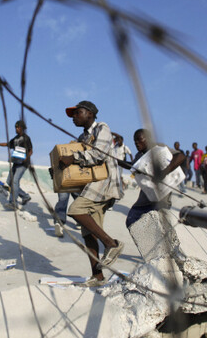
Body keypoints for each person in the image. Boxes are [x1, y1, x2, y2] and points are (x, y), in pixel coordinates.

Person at [59, 101, 123, 287]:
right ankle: (98, 276)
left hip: (104, 182)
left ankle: (111, 243)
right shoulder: (81, 137)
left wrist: (73, 158)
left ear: (90, 113)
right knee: (88, 233)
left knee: (75, 210)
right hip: (90, 185)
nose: (74, 117)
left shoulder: (102, 128)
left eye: (77, 113)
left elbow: (99, 154)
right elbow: (78, 166)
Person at [126, 130, 185, 227]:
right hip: (145, 199)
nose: (136, 143)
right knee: (131, 220)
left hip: (161, 199)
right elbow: (132, 166)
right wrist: (117, 161)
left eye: (139, 139)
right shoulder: (138, 156)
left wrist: (164, 172)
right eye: (134, 141)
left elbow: (181, 156)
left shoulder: (159, 148)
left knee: (158, 226)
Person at [0, 120, 33, 209]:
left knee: (15, 181)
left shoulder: (26, 138)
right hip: (16, 162)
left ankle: (13, 202)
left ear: (22, 128)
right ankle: (25, 196)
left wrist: (26, 158)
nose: (16, 129)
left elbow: (31, 150)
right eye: (15, 127)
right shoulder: (15, 139)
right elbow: (7, 144)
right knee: (9, 181)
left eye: (18, 127)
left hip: (23, 164)